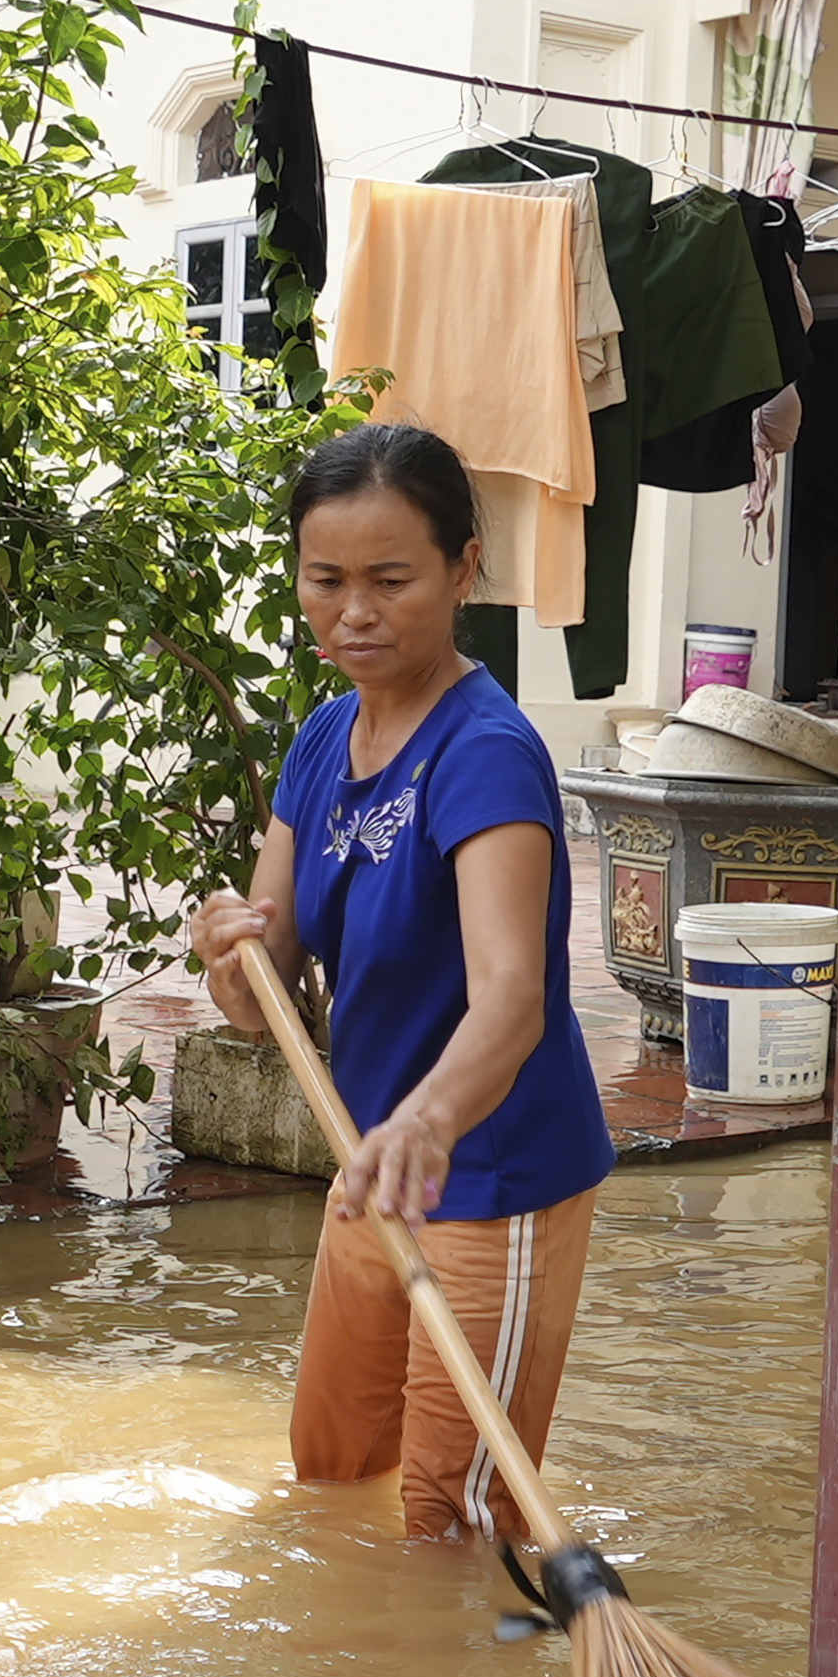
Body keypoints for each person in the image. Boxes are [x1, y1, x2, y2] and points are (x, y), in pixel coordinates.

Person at [191, 422, 619, 1547]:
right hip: (375, 1167)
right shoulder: (323, 739)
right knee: (326, 1475)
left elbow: (512, 996)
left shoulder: (485, 752)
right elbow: (265, 993)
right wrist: (229, 954)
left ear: (463, 569)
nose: (355, 614)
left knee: (452, 1523)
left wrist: (428, 1118)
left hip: (491, 1170)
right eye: (325, 582)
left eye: (391, 580)